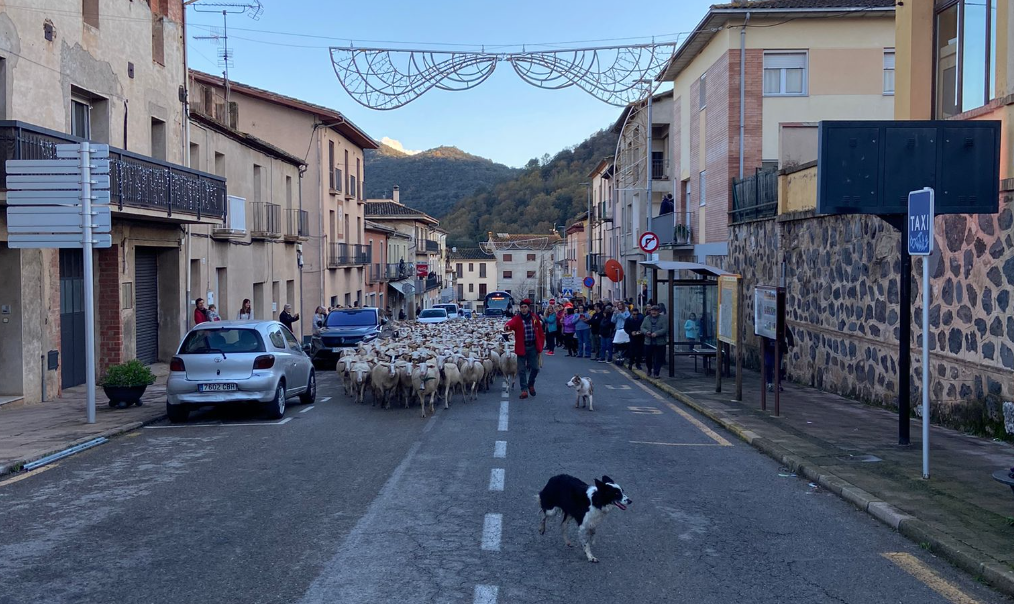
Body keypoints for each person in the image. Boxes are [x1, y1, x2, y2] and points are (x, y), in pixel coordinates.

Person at [503, 299, 545, 400]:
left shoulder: (534, 318)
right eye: (522, 307)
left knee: (535, 368)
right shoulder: (517, 318)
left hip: (533, 346)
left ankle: (530, 384)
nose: (523, 309)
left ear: (528, 308)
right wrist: (507, 327)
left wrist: (541, 344)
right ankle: (524, 390)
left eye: (525, 307)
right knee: (521, 370)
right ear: (520, 308)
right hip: (522, 347)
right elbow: (510, 324)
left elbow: (540, 331)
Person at [642, 305, 669, 378]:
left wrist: (656, 333)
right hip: (648, 341)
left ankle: (656, 373)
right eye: (652, 310)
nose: (654, 312)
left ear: (658, 311)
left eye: (656, 311)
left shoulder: (663, 319)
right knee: (648, 357)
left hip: (660, 342)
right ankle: (649, 369)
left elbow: (665, 329)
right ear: (650, 311)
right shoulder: (646, 318)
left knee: (658, 358)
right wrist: (646, 332)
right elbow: (642, 327)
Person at [624, 307, 645, 372]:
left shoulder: (641, 319)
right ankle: (631, 363)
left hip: (640, 337)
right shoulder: (628, 319)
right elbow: (626, 328)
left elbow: (644, 326)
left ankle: (638, 364)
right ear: (631, 314)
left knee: (639, 351)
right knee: (632, 351)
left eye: (636, 314)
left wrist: (641, 331)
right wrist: (631, 332)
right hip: (632, 337)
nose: (635, 315)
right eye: (634, 314)